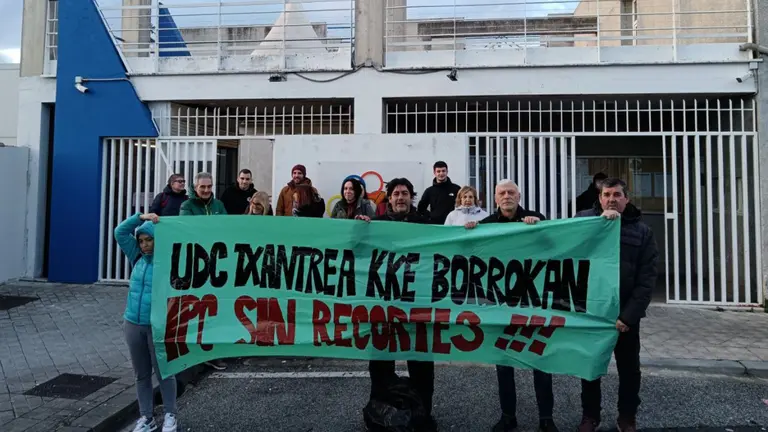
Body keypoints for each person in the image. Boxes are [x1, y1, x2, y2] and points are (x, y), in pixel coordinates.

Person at [465, 179, 557, 432]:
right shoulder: (487, 225)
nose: (506, 196)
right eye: (502, 193)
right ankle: (508, 416)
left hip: (532, 301)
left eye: (511, 192)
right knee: (504, 362)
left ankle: (546, 418)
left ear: (519, 195)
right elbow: (472, 253)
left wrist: (539, 230)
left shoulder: (536, 217)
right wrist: (470, 232)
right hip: (500, 304)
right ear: (495, 199)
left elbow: (555, 248)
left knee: (540, 360)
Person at [576, 178, 658, 432]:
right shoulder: (582, 221)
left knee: (629, 372)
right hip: (592, 312)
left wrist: (629, 316)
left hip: (625, 316)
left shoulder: (642, 231)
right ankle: (590, 416)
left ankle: (627, 417)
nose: (611, 199)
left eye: (617, 194)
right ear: (599, 198)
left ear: (626, 199)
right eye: (607, 194)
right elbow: (561, 251)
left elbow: (647, 279)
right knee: (590, 368)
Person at [356, 178, 437, 431]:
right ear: (388, 198)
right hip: (383, 304)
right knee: (380, 361)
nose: (400, 197)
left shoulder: (426, 224)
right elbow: (356, 250)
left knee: (421, 362)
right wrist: (358, 230)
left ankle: (422, 413)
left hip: (418, 305)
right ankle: (381, 413)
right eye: (395, 194)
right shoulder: (375, 225)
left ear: (411, 197)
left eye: (404, 193)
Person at [115, 212, 178, 432]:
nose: (144, 245)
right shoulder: (137, 257)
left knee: (164, 372)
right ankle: (147, 419)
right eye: (141, 241)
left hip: (158, 324)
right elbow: (120, 232)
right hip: (133, 322)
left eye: (149, 239)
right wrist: (140, 217)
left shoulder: (169, 260)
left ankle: (171, 415)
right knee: (141, 374)